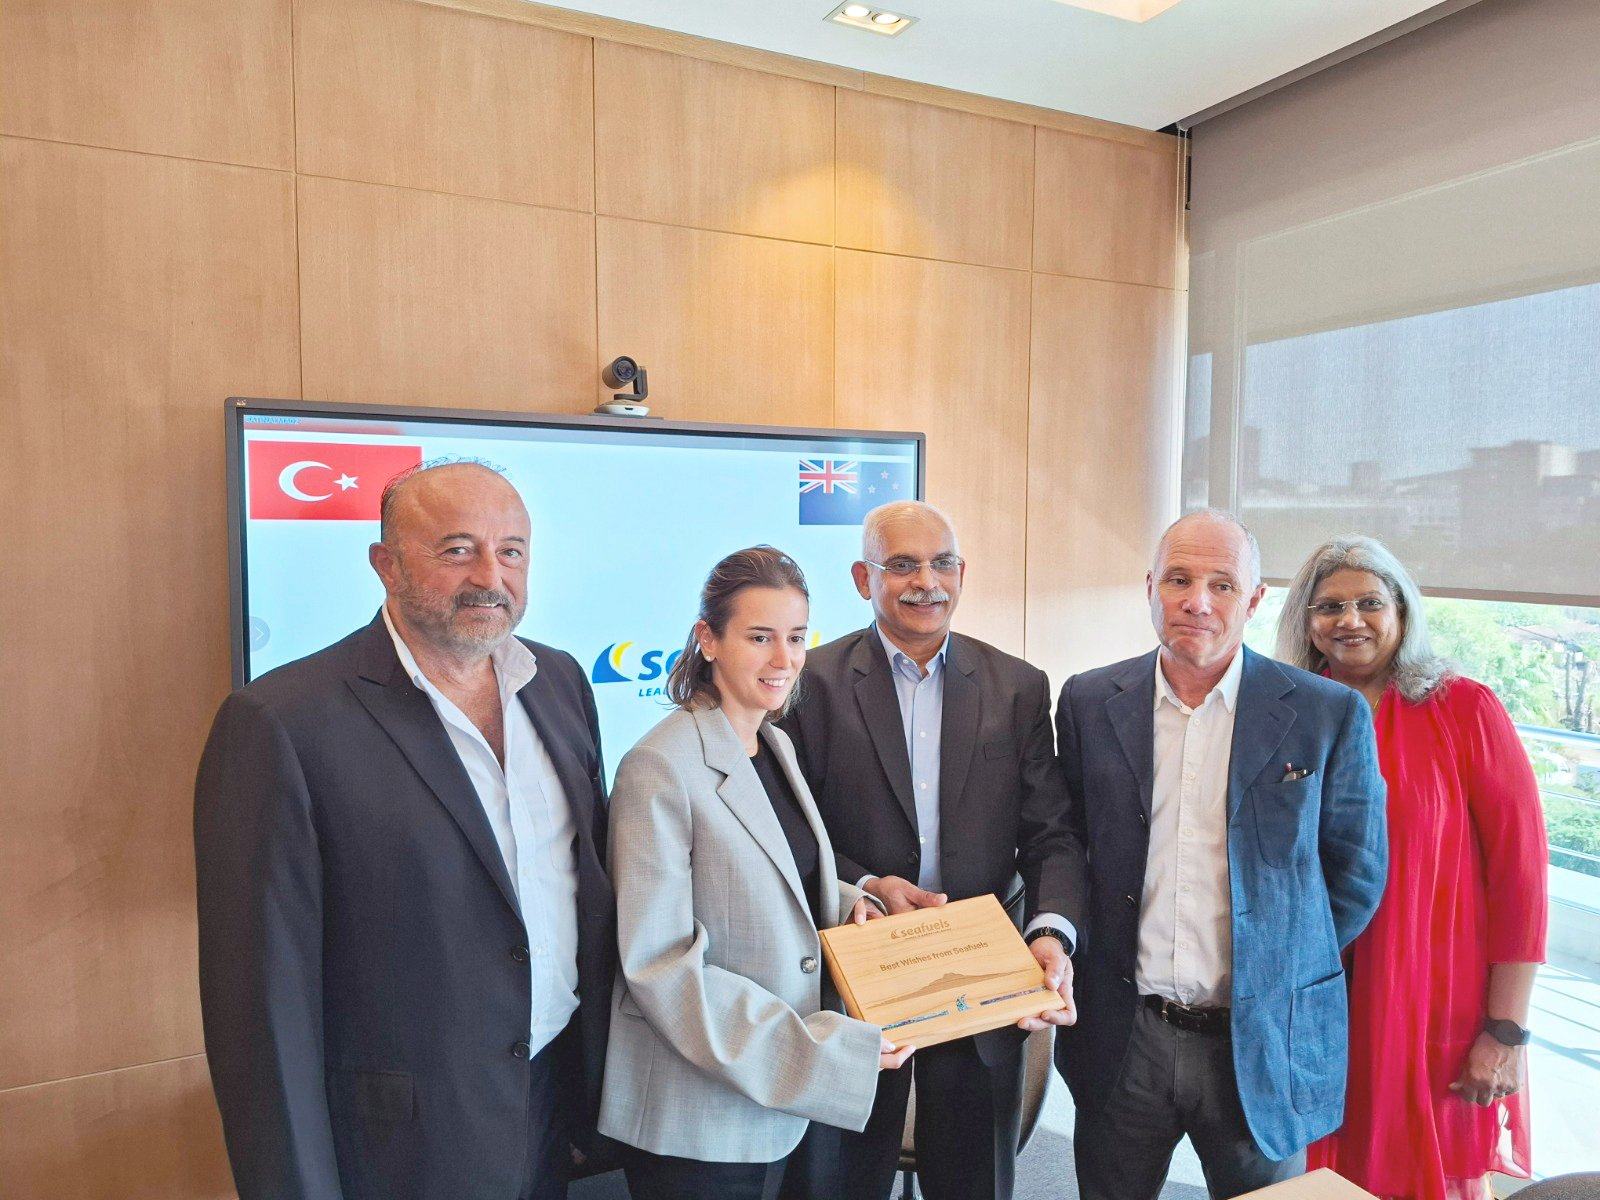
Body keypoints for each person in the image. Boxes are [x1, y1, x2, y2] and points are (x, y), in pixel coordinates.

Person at [194, 461, 614, 1200]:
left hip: (552, 1109)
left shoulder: (560, 682)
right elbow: (262, 1008)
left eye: (511, 551)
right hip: (398, 1146)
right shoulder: (282, 723)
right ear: (385, 564)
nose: (490, 576)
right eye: (457, 550)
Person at [1053, 509, 1389, 1200]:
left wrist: (1278, 957)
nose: (1197, 602)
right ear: (1150, 587)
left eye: (1222, 584)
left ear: (1255, 599)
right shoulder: (1089, 700)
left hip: (1263, 1043)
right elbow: (1067, 842)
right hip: (1125, 1037)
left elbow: (1356, 873)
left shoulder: (1327, 713)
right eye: (1178, 579)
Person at [781, 500, 1084, 1200]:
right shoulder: (808, 682)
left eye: (942, 563)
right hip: (854, 988)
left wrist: (1050, 932)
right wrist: (864, 885)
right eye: (902, 565)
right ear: (864, 578)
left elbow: (1052, 835)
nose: (926, 581)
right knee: (839, 1181)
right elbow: (789, 830)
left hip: (980, 987)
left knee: (973, 1182)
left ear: (962, 573)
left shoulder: (1017, 686)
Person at [598, 546, 912, 1200]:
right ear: (708, 639)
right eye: (760, 637)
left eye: (796, 638)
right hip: (701, 1119)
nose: (784, 660)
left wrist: (847, 902)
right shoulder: (659, 766)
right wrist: (824, 1055)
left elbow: (774, 877)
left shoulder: (773, 742)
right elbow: (661, 967)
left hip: (781, 1104)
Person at [1278, 535, 1548, 1200]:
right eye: (1329, 605)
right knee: (1316, 1177)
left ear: (1401, 610)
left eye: (1370, 602)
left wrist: (1505, 1030)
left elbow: (1522, 880)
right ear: (1306, 622)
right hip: (1314, 1004)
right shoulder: (1287, 714)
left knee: (1434, 1177)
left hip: (1436, 1004)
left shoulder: (1464, 708)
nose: (1351, 620)